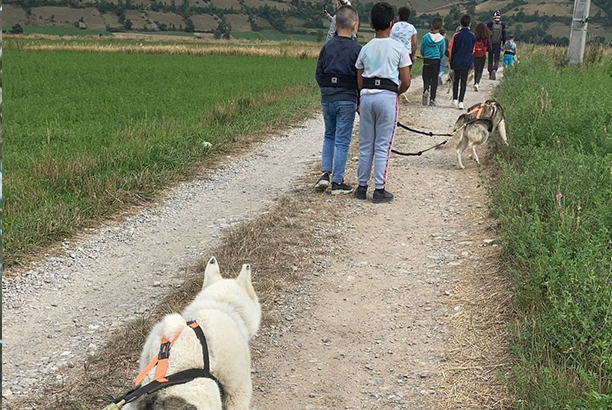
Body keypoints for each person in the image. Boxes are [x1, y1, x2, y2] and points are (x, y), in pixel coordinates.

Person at [354, 2, 411, 203]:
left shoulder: (365, 48)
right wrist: (396, 92)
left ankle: (361, 187)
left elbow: (359, 78)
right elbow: (406, 81)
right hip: (387, 96)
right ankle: (379, 188)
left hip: (367, 96)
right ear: (392, 23)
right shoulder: (399, 48)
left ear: (371, 24)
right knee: (383, 144)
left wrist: (363, 96)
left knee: (366, 144)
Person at [315, 5, 362, 194]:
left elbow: (319, 73)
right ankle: (338, 180)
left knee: (329, 135)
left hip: (327, 96)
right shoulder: (357, 49)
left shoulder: (327, 46)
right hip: (347, 97)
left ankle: (325, 173)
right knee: (342, 140)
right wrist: (358, 99)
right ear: (354, 25)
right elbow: (360, 76)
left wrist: (327, 89)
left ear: (335, 24)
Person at [450, 15, 475, 110]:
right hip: (466, 61)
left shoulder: (456, 36)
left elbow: (453, 50)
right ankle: (461, 101)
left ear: (460, 23)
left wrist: (451, 62)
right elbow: (473, 50)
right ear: (470, 24)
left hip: (457, 61)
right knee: (464, 81)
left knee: (455, 80)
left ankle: (455, 99)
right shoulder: (472, 36)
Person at [419, 17, 445, 106]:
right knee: (434, 79)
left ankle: (426, 89)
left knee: (426, 77)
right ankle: (432, 99)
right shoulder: (441, 39)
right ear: (441, 27)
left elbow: (422, 48)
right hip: (436, 60)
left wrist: (424, 55)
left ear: (431, 26)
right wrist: (439, 57)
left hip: (427, 60)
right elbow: (442, 51)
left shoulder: (425, 37)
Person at [487, 10, 506, 80]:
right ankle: (495, 69)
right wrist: (503, 43)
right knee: (497, 58)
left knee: (490, 58)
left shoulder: (490, 24)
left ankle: (490, 71)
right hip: (498, 43)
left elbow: (487, 34)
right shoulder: (502, 24)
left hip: (490, 43)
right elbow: (504, 35)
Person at [472, 22, 492, 91]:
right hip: (482, 54)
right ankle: (477, 83)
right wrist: (488, 49)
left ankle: (475, 82)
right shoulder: (486, 37)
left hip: (475, 54)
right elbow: (489, 46)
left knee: (476, 69)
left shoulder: (474, 36)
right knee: (480, 70)